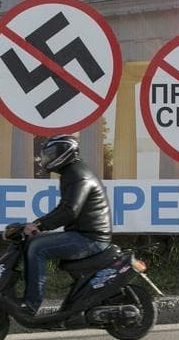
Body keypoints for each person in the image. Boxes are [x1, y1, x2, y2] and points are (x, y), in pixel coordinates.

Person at [12, 134, 112, 316]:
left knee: (37, 247)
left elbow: (69, 210)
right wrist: (38, 225)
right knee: (34, 243)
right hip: (85, 234)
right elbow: (65, 209)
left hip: (90, 238)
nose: (48, 158)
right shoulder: (72, 172)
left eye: (52, 154)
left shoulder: (77, 174)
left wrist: (39, 226)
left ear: (66, 152)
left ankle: (31, 305)